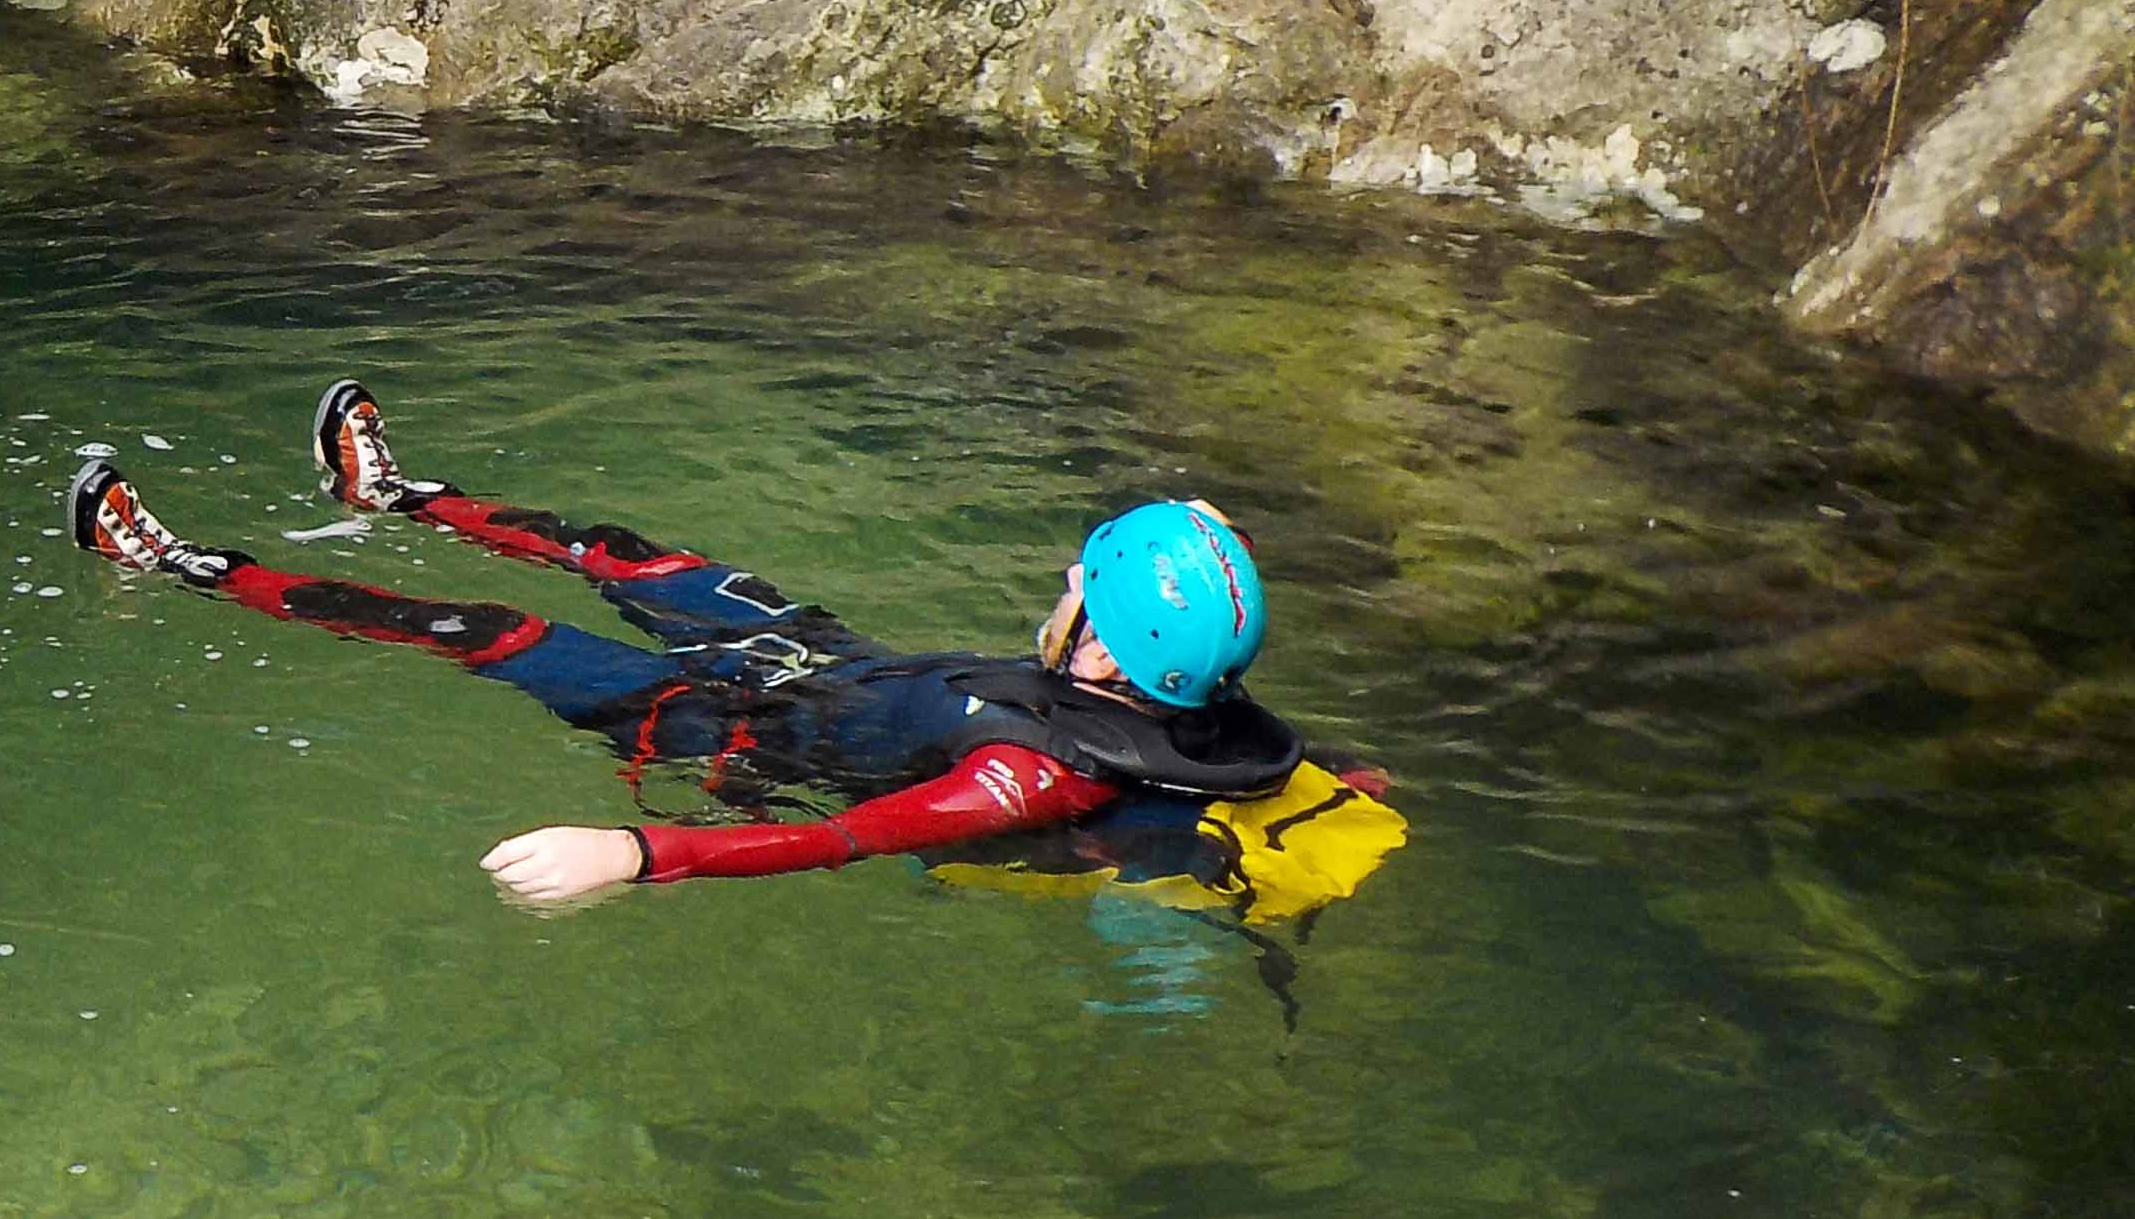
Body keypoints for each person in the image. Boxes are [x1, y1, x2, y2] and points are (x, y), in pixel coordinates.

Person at [68, 383, 1381, 912]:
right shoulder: (1186, 700)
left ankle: (175, 562)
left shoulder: (1026, 781)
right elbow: (1253, 733)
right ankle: (395, 495)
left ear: (1109, 654)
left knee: (479, 634)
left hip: (724, 724)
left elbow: (840, 839)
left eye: (1080, 589)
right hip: (825, 657)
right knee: (626, 551)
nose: (1061, 588)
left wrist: (639, 853)